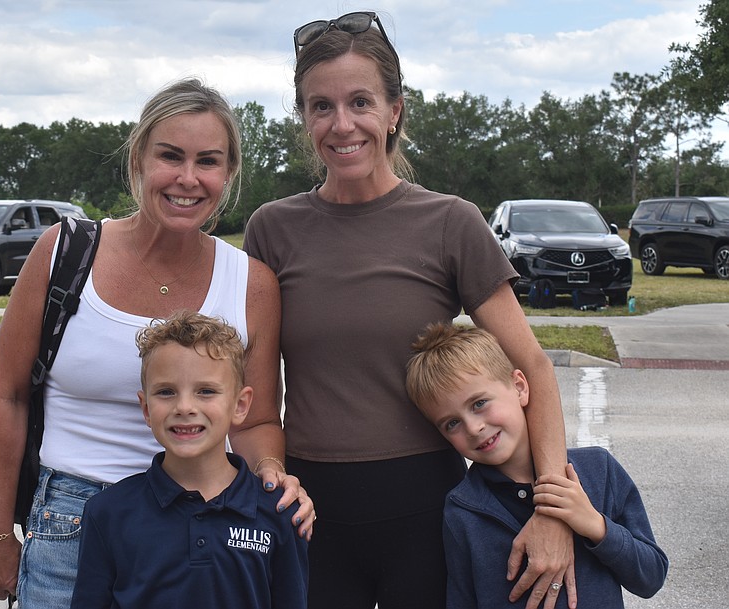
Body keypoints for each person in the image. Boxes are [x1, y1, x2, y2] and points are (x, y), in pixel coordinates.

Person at [243, 11, 574, 609]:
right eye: (321, 106)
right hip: (311, 514)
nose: (342, 124)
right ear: (303, 118)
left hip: (432, 511)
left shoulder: (450, 222)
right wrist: (270, 471)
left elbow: (534, 368)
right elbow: (258, 402)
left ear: (395, 110)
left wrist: (550, 511)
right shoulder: (272, 229)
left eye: (361, 102)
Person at [0, 78, 314, 608]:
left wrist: (271, 472)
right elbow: (5, 394)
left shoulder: (252, 283)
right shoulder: (64, 252)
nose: (187, 178)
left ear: (228, 174)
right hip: (73, 521)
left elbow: (257, 418)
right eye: (170, 156)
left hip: (202, 520)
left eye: (208, 161)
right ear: (138, 157)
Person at [405, 323, 669, 608]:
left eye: (479, 403)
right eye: (452, 423)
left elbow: (651, 577)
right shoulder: (462, 510)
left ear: (519, 387)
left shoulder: (598, 470)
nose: (473, 427)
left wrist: (595, 525)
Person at [70, 311, 309, 608]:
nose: (184, 407)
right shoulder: (107, 513)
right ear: (146, 409)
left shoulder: (280, 513)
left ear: (240, 404)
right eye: (166, 392)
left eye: (206, 391)